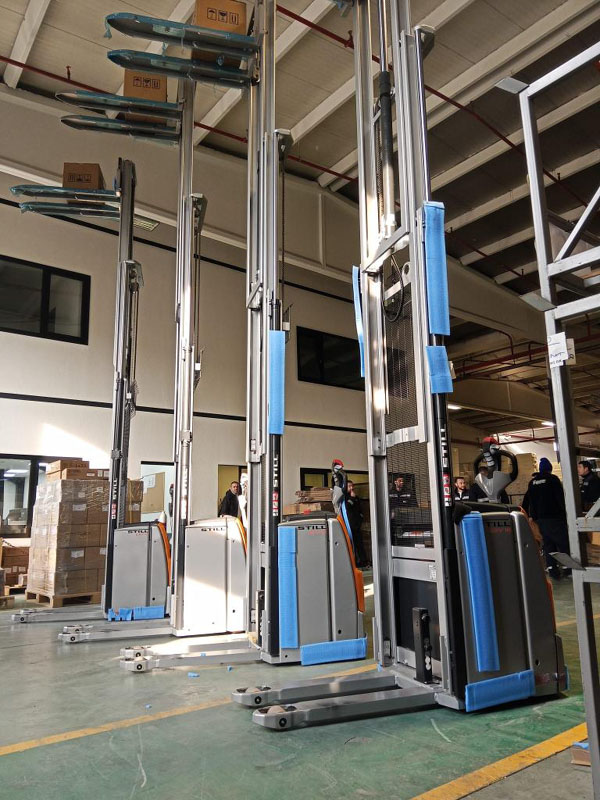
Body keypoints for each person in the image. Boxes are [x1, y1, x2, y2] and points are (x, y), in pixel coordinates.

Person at [522, 457, 570, 579]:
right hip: (554, 517)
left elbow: (527, 500)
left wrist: (530, 515)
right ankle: (568, 568)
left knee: (548, 544)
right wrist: (565, 514)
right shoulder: (553, 479)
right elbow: (560, 498)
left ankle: (552, 569)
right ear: (550, 469)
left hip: (540, 519)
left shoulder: (532, 482)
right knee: (563, 543)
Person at [345, 480, 369, 568]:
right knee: (351, 544)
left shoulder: (356, 497)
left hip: (356, 525)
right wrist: (351, 498)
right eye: (349, 486)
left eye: (352, 486)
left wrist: (360, 519)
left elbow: (360, 510)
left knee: (360, 544)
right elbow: (347, 507)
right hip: (348, 525)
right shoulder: (344, 497)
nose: (351, 488)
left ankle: (363, 562)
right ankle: (353, 563)